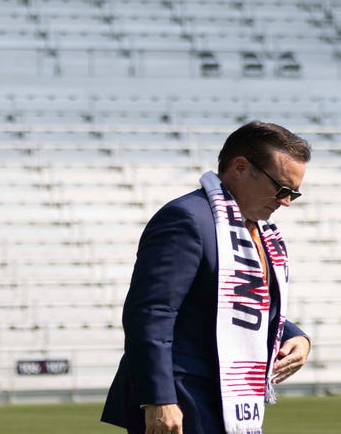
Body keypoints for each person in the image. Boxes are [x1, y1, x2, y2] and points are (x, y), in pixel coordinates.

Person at [102, 122, 313, 434]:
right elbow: (151, 311)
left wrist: (294, 335)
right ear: (240, 167)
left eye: (293, 193)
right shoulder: (187, 218)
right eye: (281, 189)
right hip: (182, 397)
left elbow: (243, 301)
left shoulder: (259, 231)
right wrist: (158, 399)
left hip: (229, 395)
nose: (286, 201)